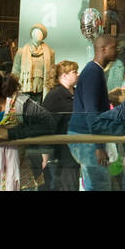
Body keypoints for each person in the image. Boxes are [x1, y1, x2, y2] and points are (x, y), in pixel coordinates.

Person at [68, 33, 117, 191]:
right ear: (103, 49)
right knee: (99, 184)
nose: (117, 51)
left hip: (85, 135)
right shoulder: (93, 72)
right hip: (86, 136)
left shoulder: (94, 71)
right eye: (113, 47)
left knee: (95, 183)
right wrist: (98, 146)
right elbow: (91, 110)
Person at [42, 60, 80, 191]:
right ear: (63, 75)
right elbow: (46, 125)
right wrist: (45, 153)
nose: (77, 74)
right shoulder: (54, 96)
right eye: (74, 72)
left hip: (75, 149)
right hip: (62, 152)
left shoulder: (76, 93)